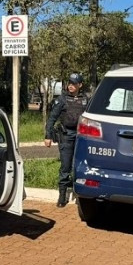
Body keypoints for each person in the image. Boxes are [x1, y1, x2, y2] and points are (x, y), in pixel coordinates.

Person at [45, 72, 89, 207]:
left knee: (81, 165)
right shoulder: (62, 99)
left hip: (82, 136)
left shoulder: (85, 99)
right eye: (69, 83)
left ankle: (80, 193)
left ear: (80, 85)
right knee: (65, 166)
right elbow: (52, 118)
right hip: (66, 135)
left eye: (74, 84)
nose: (71, 86)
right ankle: (62, 196)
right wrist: (48, 136)